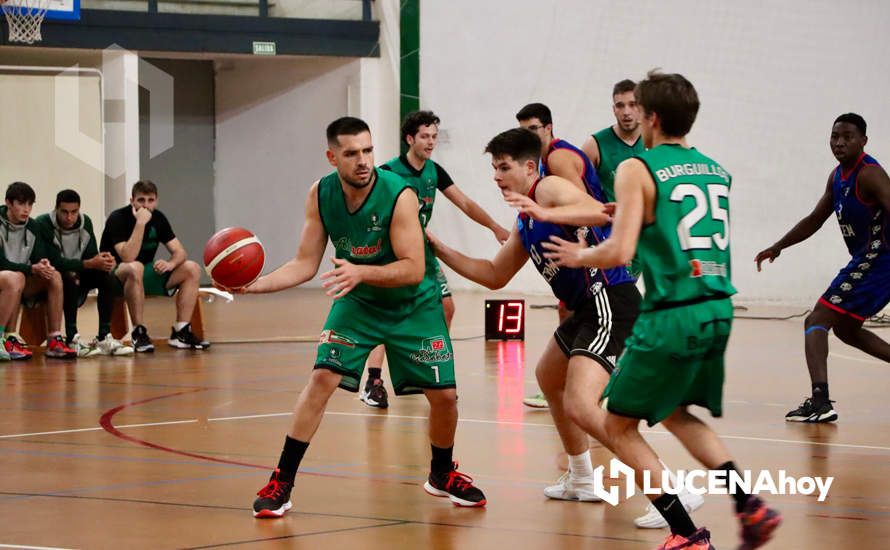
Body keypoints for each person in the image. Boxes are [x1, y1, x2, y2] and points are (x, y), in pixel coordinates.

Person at [543, 70, 781, 549]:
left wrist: (578, 255)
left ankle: (685, 533)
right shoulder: (714, 169)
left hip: (671, 311)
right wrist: (553, 214)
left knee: (614, 423)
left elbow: (620, 250)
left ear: (650, 117)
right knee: (674, 411)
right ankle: (748, 505)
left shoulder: (638, 167)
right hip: (717, 310)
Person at [428, 127, 697, 528]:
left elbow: (598, 211)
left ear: (529, 167)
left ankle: (677, 491)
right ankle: (582, 477)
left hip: (610, 299)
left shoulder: (549, 189)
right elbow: (493, 275)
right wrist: (437, 247)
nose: (497, 177)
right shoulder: (526, 220)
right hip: (585, 309)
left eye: (504, 168)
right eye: (494, 169)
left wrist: (546, 212)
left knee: (583, 406)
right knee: (548, 376)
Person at [247, 117, 485, 518]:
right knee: (321, 378)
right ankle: (282, 481)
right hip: (359, 301)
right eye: (352, 153)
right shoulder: (320, 195)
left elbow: (412, 267)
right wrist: (257, 285)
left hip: (414, 302)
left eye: (368, 151)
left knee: (444, 397)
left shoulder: (399, 194)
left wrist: (360, 272)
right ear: (332, 157)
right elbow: (305, 263)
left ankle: (441, 473)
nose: (363, 161)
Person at [359, 110, 511, 409]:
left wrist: (494, 226)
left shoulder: (434, 171)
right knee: (386, 315)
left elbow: (465, 202)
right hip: (392, 255)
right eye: (425, 137)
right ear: (409, 139)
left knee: (446, 307)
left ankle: (427, 370)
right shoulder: (387, 173)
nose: (430, 142)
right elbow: (369, 211)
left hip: (423, 252)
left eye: (434, 137)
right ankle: (373, 382)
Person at [756, 113, 890, 423]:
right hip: (867, 262)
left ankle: (820, 401)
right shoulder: (837, 176)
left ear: (864, 141)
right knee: (845, 329)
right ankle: (820, 400)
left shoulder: (869, 174)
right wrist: (779, 245)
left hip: (879, 261)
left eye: (847, 137)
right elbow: (816, 218)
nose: (839, 142)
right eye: (835, 136)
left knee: (817, 319)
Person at [516, 102, 607, 408]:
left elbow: (583, 205)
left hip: (600, 243)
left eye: (533, 130)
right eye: (522, 131)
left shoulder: (557, 158)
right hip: (592, 244)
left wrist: (584, 245)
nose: (527, 136)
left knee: (599, 310)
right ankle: (569, 380)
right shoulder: (541, 163)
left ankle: (596, 382)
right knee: (568, 308)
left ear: (549, 128)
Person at [99, 180, 208, 352]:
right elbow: (127, 257)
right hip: (115, 275)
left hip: (143, 273)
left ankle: (181, 332)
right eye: (141, 200)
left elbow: (180, 252)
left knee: (192, 268)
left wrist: (170, 263)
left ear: (156, 201)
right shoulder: (117, 218)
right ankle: (138, 332)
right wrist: (140, 223)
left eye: (150, 200)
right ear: (132, 201)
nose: (146, 205)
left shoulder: (158, 218)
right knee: (135, 267)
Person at [36, 189, 133, 357]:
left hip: (80, 271)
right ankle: (72, 338)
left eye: (74, 212)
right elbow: (53, 261)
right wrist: (88, 263)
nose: (69, 217)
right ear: (56, 209)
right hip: (55, 277)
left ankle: (104, 337)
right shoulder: (43, 223)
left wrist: (104, 260)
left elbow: (90, 255)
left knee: (106, 275)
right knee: (68, 275)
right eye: (64, 212)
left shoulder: (85, 222)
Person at [0, 182, 77, 359]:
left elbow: (38, 256)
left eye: (30, 204)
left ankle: (54, 340)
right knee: (16, 278)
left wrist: (43, 264)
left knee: (54, 275)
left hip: (19, 279)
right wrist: (30, 268)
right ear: (8, 203)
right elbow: (1, 262)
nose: (26, 209)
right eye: (21, 203)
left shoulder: (33, 226)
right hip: (7, 277)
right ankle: (4, 337)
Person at [581, 79, 645, 203]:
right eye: (620, 106)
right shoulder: (594, 144)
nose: (626, 112)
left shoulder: (654, 139)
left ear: (641, 107)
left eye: (632, 104)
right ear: (614, 109)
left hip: (649, 220)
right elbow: (580, 190)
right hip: (612, 220)